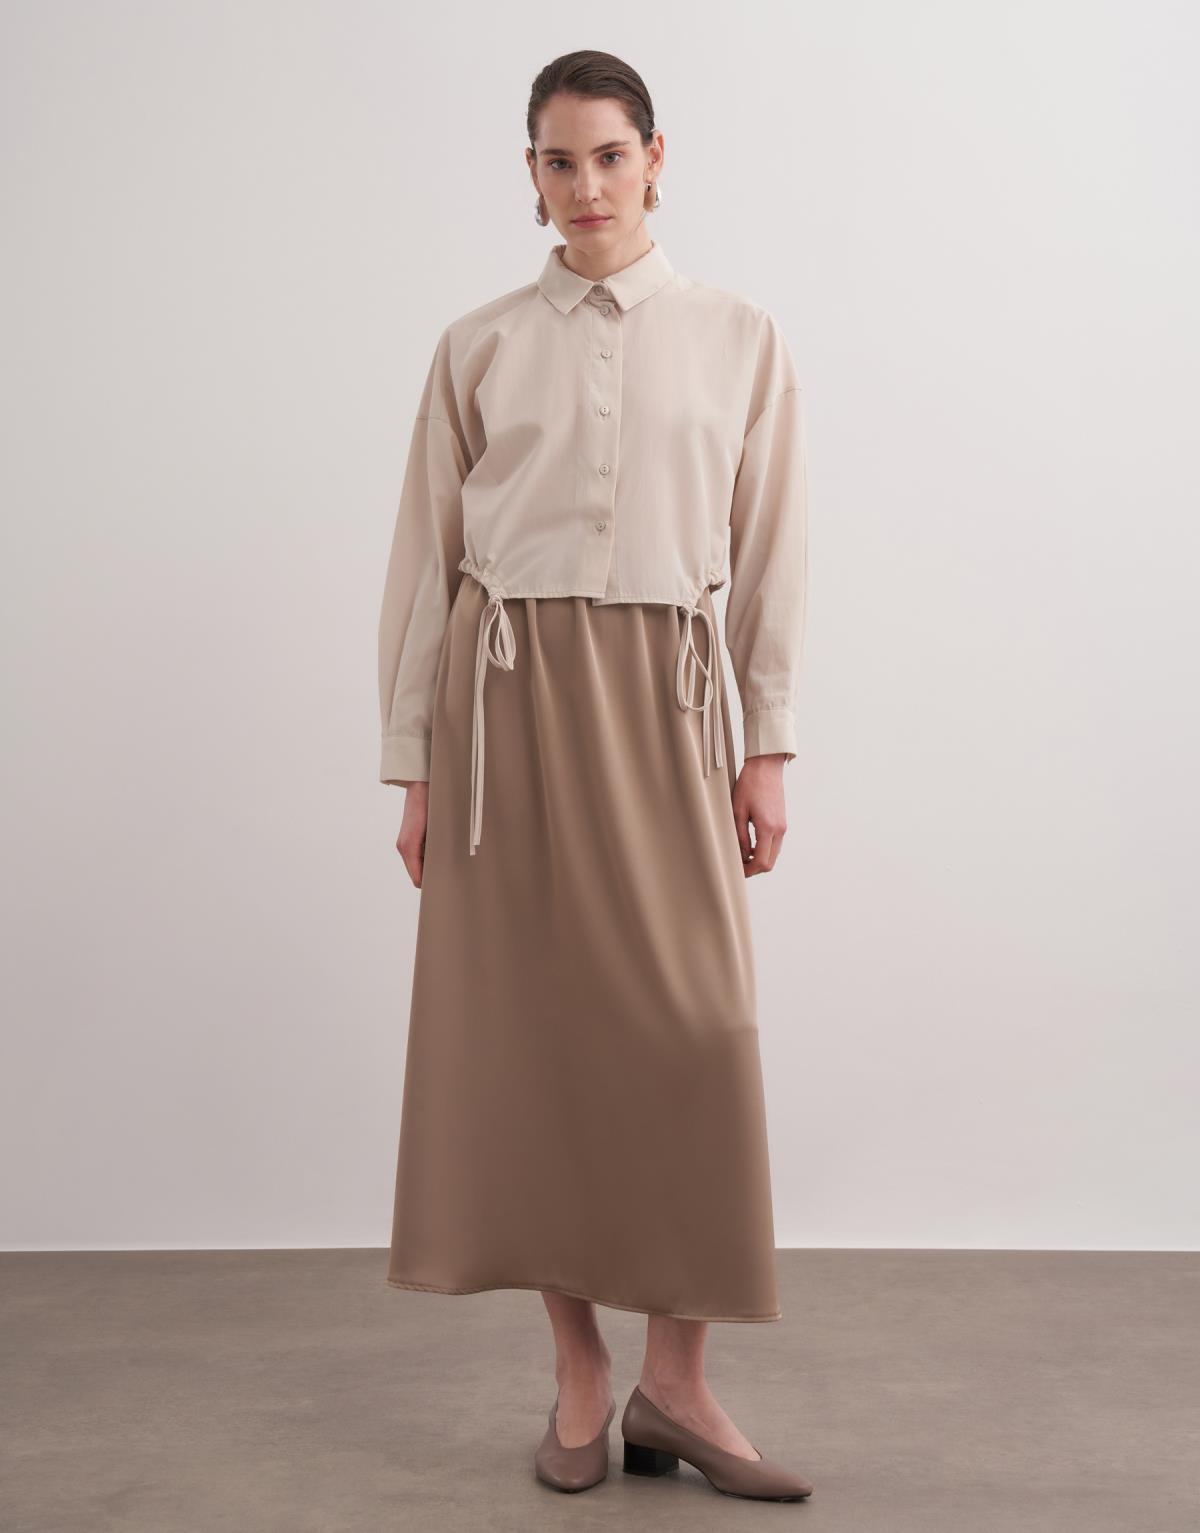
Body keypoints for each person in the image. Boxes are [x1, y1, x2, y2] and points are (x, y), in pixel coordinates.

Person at [376, 49, 813, 1501]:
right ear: (531, 174)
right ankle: (578, 1375)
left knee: (699, 1031)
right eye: (558, 162)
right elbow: (426, 559)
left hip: (671, 700)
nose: (585, 188)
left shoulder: (740, 336)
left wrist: (766, 743)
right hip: (505, 707)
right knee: (537, 1043)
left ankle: (675, 1385)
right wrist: (413, 763)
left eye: (609, 157)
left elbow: (770, 554)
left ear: (655, 158)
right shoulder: (479, 345)